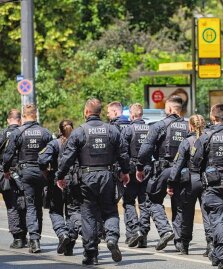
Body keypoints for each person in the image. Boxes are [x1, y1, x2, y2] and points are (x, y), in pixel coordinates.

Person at [55, 98, 130, 265]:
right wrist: (125, 172)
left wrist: (60, 176)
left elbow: (67, 158)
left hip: (87, 178)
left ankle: (91, 254)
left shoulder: (79, 132)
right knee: (110, 210)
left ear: (87, 112)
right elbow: (123, 154)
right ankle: (111, 238)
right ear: (99, 112)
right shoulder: (111, 130)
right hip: (107, 176)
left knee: (88, 214)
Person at [136, 95, 188, 251]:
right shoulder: (188, 126)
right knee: (179, 205)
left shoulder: (159, 126)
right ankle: (181, 243)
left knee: (152, 200)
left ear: (171, 109)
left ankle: (165, 230)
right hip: (184, 171)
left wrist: (139, 166)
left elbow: (145, 150)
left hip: (164, 169)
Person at [3, 104, 53, 253]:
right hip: (41, 172)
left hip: (25, 172)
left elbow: (8, 154)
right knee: (38, 206)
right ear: (35, 115)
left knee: (30, 205)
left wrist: (6, 171)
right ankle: (37, 238)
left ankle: (34, 240)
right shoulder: (45, 132)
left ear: (24, 116)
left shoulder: (18, 132)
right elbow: (53, 152)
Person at [192, 104, 223, 269]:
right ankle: (218, 255)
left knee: (217, 221)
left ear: (213, 117)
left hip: (212, 183)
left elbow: (195, 160)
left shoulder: (205, 136)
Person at [38, 120, 82, 256]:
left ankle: (62, 234)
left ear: (59, 130)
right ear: (72, 129)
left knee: (55, 211)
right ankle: (69, 246)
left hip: (56, 181)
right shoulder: (78, 142)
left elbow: (41, 159)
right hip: (74, 181)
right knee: (72, 213)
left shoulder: (54, 143)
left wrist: (46, 172)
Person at [167, 114, 207, 255]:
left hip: (190, 181)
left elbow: (178, 164)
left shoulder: (187, 142)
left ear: (190, 126)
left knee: (186, 214)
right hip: (207, 180)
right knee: (208, 214)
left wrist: (171, 182)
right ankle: (211, 245)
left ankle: (184, 244)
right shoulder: (209, 139)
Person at [121, 103, 151, 248]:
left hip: (132, 170)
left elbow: (123, 152)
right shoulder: (151, 129)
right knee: (144, 202)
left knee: (129, 201)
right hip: (148, 169)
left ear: (132, 115)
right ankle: (143, 235)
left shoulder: (128, 130)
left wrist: (124, 171)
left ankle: (135, 230)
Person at [0, 109, 27, 249]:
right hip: (24, 172)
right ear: (20, 120)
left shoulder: (3, 134)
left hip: (8, 174)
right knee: (24, 205)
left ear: (8, 120)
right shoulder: (24, 132)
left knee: (12, 205)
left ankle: (17, 238)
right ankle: (25, 235)